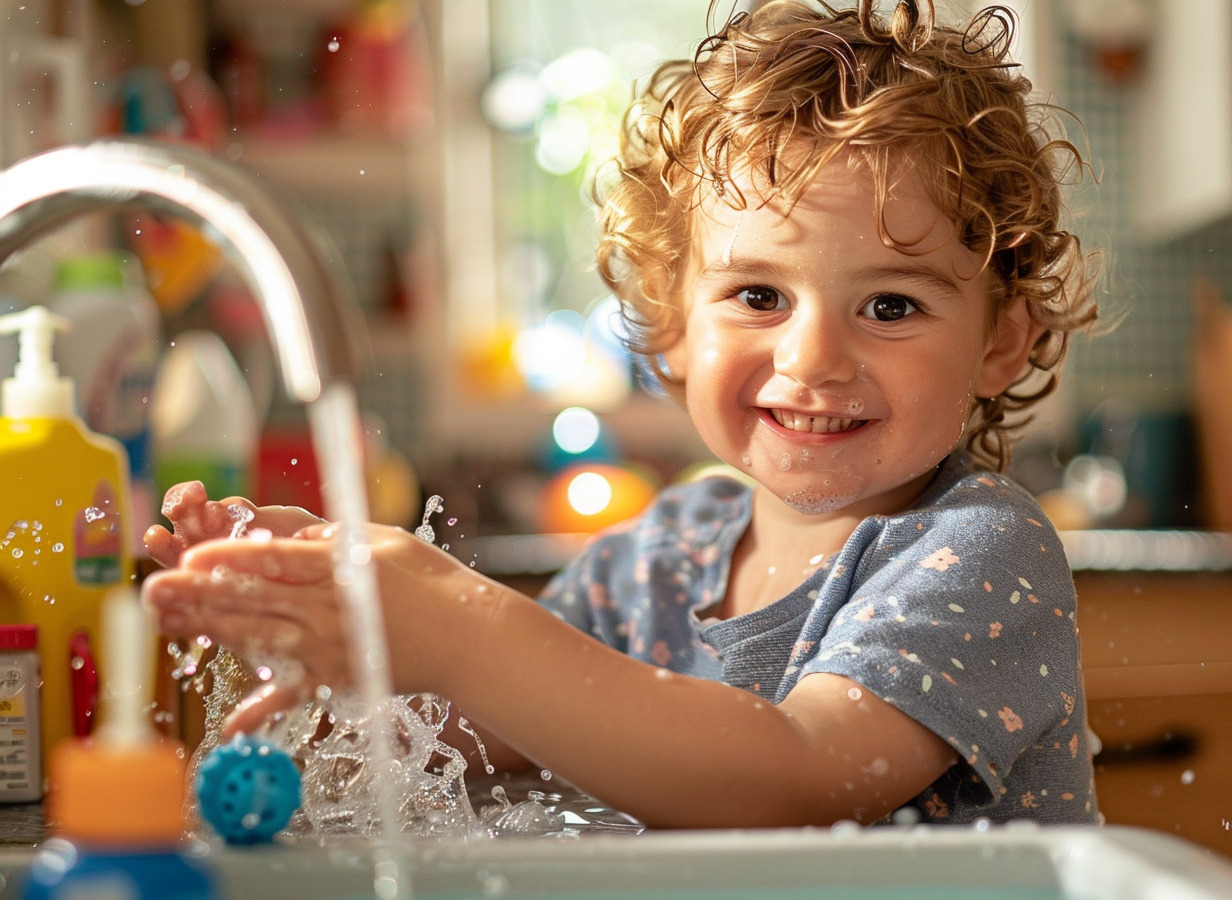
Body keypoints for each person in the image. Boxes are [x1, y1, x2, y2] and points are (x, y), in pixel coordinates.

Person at [142, 0, 1102, 830]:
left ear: (999, 342)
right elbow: (502, 724)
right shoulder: (656, 560)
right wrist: (334, 626)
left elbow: (806, 773)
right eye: (758, 297)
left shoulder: (981, 552)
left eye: (891, 306)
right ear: (672, 327)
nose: (811, 358)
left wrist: (457, 623)